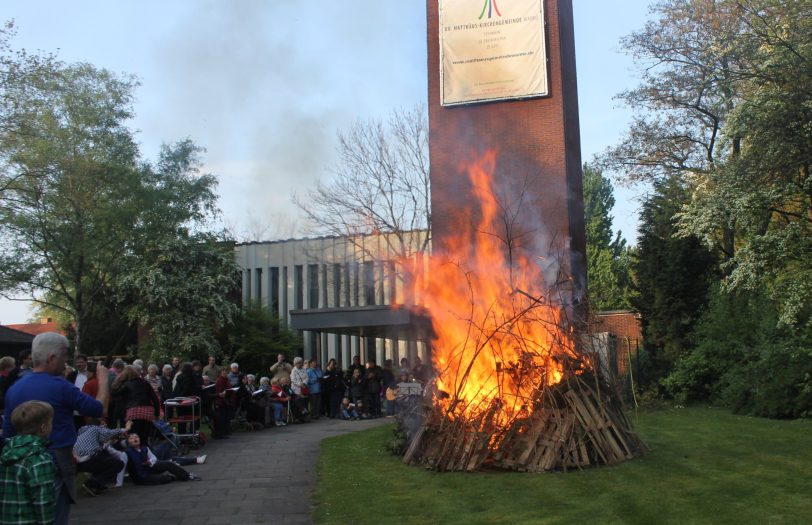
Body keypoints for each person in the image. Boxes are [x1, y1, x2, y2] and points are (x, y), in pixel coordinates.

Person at [3, 332, 109, 525]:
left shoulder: (14, 389)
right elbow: (98, 409)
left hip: (20, 465)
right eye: (64, 356)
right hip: (57, 460)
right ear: (52, 358)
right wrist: (103, 381)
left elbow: (8, 433)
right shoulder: (61, 386)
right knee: (54, 513)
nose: (66, 361)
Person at [0, 400, 55, 525]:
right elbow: (43, 501)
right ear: (43, 428)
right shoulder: (39, 459)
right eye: (51, 422)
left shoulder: (6, 452)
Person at [73, 420, 130, 494]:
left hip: (78, 463)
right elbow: (108, 433)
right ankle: (93, 483)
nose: (105, 426)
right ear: (99, 425)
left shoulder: (81, 432)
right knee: (118, 464)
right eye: (103, 424)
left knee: (103, 456)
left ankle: (97, 484)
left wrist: (114, 438)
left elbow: (105, 443)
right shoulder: (95, 428)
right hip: (90, 459)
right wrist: (126, 429)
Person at [124, 433, 201, 484]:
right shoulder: (128, 452)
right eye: (131, 438)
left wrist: (149, 462)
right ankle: (172, 477)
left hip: (149, 468)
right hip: (141, 476)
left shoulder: (145, 448)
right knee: (163, 479)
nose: (135, 439)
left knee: (168, 464)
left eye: (136, 437)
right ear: (128, 442)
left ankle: (187, 475)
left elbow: (154, 458)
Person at [111, 365, 161, 445]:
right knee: (144, 436)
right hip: (147, 411)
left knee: (133, 436)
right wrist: (157, 414)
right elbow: (155, 399)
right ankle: (145, 453)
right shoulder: (145, 382)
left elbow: (114, 393)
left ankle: (134, 454)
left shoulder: (127, 385)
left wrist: (118, 380)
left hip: (133, 412)